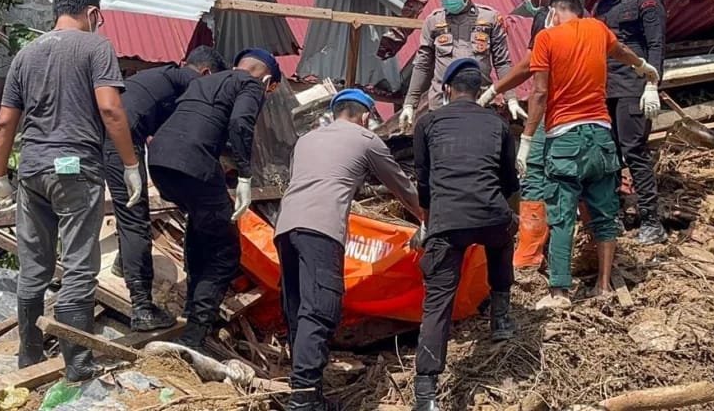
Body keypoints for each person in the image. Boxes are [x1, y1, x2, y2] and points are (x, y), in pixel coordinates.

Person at [0, 0, 141, 380]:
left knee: (33, 267)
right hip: (75, 169)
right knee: (78, 265)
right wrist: (130, 165)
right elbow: (111, 110)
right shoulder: (96, 46)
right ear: (92, 13)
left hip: (32, 170)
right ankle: (78, 363)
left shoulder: (26, 53)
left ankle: (29, 358)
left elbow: (4, 122)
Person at [275, 89, 421, 410]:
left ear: (334, 112)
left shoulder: (305, 140)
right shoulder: (366, 139)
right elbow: (401, 185)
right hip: (321, 229)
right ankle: (303, 400)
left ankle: (308, 392)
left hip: (285, 227)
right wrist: (426, 218)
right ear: (366, 116)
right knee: (320, 309)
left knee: (298, 308)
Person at [520, 0, 659, 309]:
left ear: (554, 12)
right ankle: (603, 285)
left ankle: (559, 292)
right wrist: (643, 67)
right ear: (580, 11)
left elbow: (539, 93)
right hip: (600, 136)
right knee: (605, 216)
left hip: (564, 138)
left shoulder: (546, 38)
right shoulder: (597, 28)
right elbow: (622, 51)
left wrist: (526, 140)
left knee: (562, 216)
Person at [147, 48, 280, 350]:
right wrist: (245, 175)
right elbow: (241, 123)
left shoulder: (204, 81)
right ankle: (195, 334)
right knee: (225, 251)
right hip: (193, 164)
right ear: (267, 81)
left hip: (160, 162)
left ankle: (192, 308)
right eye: (270, 91)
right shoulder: (251, 84)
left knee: (201, 227)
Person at [411, 58, 519, 410]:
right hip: (491, 215)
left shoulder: (427, 123)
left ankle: (425, 393)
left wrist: (428, 224)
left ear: (446, 89)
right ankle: (500, 317)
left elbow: (424, 182)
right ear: (479, 91)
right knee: (502, 237)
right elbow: (509, 181)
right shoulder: (498, 123)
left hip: (447, 222)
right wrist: (507, 214)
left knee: (437, 303)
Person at [105, 45, 227, 332]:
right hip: (120, 141)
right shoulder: (190, 82)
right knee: (135, 219)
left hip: (103, 136)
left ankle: (124, 265)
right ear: (205, 73)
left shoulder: (165, 78)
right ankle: (142, 308)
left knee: (128, 213)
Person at [477, 0, 568, 269]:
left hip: (554, 107)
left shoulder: (546, 17)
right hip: (586, 111)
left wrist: (497, 89)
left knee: (534, 173)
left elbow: (531, 67)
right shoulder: (580, 15)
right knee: (573, 177)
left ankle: (530, 253)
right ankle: (572, 245)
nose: (525, 1)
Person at [588, 0, 668, 245]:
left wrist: (653, 84)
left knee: (634, 150)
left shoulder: (646, 1)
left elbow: (656, 46)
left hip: (634, 88)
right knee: (608, 154)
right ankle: (615, 215)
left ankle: (651, 221)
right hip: (606, 88)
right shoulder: (602, 5)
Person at [399, 0, 521, 131]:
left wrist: (511, 98)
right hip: (442, 105)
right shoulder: (433, 21)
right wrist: (409, 104)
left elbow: (502, 62)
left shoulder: (489, 18)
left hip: (479, 102)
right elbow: (422, 64)